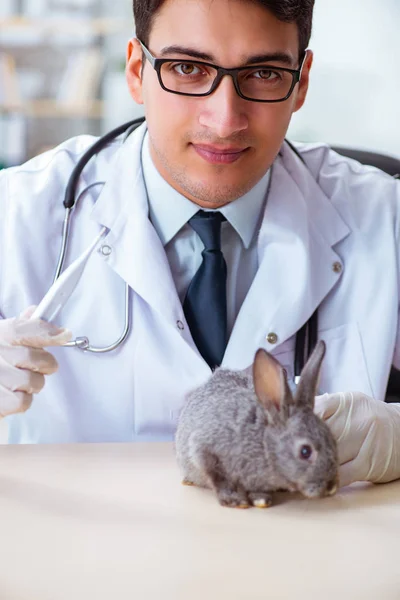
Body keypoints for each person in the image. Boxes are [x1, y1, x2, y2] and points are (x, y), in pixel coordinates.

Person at [0, 0, 399, 488]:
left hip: (305, 556)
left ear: (302, 82)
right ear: (136, 70)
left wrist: (397, 437)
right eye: (187, 68)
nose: (226, 118)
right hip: (83, 553)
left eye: (266, 74)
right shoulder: (15, 212)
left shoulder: (385, 216)